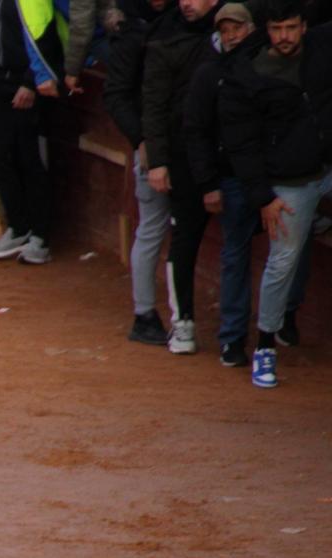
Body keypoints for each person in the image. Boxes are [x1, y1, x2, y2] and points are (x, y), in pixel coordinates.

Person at [184, 1, 312, 366]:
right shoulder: (212, 74)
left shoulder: (275, 63)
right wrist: (209, 182)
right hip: (236, 178)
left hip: (279, 173)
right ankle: (234, 338)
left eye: (236, 29)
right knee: (239, 253)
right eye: (224, 31)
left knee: (290, 247)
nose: (230, 36)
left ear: (252, 29)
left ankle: (284, 317)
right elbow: (197, 131)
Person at [217, 0, 332, 387]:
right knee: (282, 262)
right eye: (277, 29)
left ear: (304, 26)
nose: (285, 37)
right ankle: (266, 345)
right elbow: (242, 145)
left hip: (327, 168)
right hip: (290, 183)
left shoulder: (321, 45)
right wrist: (263, 197)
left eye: (292, 28)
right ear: (267, 29)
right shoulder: (247, 76)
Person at [142, 0, 224, 354]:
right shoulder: (167, 43)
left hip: (234, 161)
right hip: (185, 160)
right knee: (185, 239)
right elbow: (155, 106)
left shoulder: (241, 44)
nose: (186, 3)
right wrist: (158, 162)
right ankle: (183, 323)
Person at [101, 0, 177, 343]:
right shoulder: (132, 35)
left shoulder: (177, 24)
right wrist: (141, 140)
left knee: (160, 229)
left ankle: (176, 317)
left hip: (180, 144)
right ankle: (148, 314)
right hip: (153, 146)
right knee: (155, 227)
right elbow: (117, 95)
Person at [0, 0, 64, 265]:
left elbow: (46, 37)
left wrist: (30, 82)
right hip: (1, 78)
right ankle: (19, 226)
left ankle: (40, 236)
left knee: (30, 160)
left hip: (31, 83)